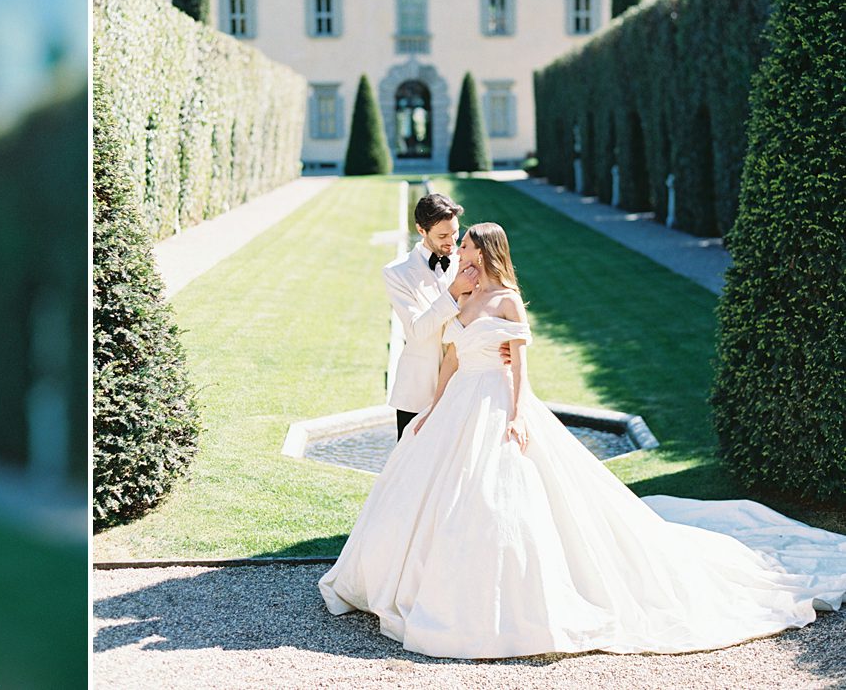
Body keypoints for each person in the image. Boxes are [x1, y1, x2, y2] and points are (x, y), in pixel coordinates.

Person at [321, 222, 846, 658]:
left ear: (487, 254)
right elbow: (451, 360)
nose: (461, 254)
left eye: (467, 248)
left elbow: (522, 365)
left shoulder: (506, 301)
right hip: (457, 400)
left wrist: (519, 412)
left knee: (497, 498)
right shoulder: (462, 295)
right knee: (431, 493)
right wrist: (430, 413)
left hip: (497, 401)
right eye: (460, 249)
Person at [381, 194, 480, 439]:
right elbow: (417, 330)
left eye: (455, 233)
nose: (452, 242)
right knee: (409, 468)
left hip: (464, 384)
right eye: (443, 236)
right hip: (418, 390)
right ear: (421, 230)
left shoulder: (470, 262)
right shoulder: (397, 272)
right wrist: (454, 291)